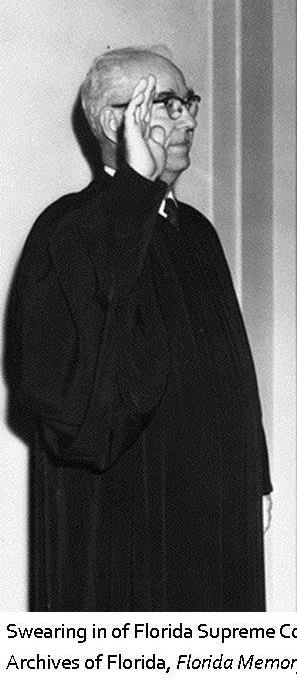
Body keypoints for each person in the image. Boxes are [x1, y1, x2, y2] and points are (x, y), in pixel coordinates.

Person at [5, 47, 271, 610]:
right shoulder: (70, 227)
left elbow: (233, 367)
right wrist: (135, 185)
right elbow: (72, 385)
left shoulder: (196, 231)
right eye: (166, 104)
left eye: (189, 103)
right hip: (126, 504)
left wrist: (257, 475)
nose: (188, 119)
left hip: (217, 502)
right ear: (112, 123)